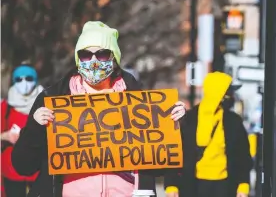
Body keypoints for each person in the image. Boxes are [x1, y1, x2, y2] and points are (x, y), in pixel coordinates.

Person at [11, 21, 186, 197]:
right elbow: (23, 165)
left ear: (114, 58)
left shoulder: (137, 101)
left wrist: (172, 125)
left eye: (102, 54)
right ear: (78, 59)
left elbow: (160, 167)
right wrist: (35, 128)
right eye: (86, 54)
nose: (93, 61)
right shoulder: (54, 99)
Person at [164, 72, 252, 197]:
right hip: (192, 185)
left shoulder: (233, 121)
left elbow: (243, 156)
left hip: (225, 186)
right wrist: (171, 185)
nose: (231, 96)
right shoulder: (189, 119)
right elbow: (175, 153)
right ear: (220, 93)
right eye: (228, 92)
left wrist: (243, 186)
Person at [1, 65, 43, 197]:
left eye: (29, 78)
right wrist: (5, 136)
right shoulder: (6, 106)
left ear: (35, 80)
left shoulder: (44, 102)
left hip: (38, 167)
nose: (24, 83)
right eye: (19, 79)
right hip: (11, 167)